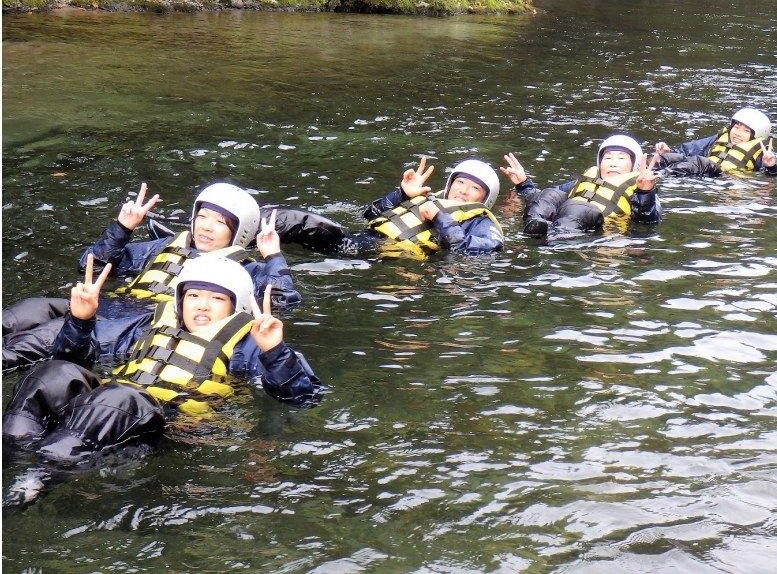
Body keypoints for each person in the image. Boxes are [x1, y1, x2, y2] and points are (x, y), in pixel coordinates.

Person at [2, 254, 323, 466]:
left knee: (120, 398)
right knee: (53, 374)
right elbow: (71, 359)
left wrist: (274, 351)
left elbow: (303, 397)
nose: (202, 306)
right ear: (180, 300)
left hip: (170, 423)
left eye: (216, 298)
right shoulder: (147, 328)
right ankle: (14, 454)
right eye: (194, 295)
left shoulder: (248, 346)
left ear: (234, 306)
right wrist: (80, 321)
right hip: (109, 409)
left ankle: (41, 474)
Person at [2, 182, 299, 371]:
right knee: (29, 310)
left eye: (219, 222)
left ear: (240, 231)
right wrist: (123, 228)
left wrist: (272, 255)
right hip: (104, 303)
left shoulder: (244, 272)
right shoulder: (162, 247)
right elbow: (91, 264)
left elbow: (283, 302)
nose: (206, 227)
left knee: (37, 340)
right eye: (202, 217)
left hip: (137, 323)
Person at [258, 158, 504, 259]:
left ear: (485, 198)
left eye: (474, 188)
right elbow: (370, 214)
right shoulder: (428, 198)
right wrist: (401, 194)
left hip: (379, 252)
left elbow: (468, 251)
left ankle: (243, 227)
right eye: (460, 182)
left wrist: (440, 219)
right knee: (301, 224)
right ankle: (245, 228)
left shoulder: (483, 224)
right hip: (363, 239)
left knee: (300, 222)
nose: (462, 190)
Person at [502, 134, 661, 238]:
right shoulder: (586, 179)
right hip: (566, 218)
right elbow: (544, 198)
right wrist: (524, 184)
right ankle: (534, 225)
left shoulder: (641, 189)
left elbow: (647, 223)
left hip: (594, 229)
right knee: (550, 193)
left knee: (579, 207)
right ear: (600, 163)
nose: (613, 163)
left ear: (634, 164)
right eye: (608, 158)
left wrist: (645, 192)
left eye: (621, 158)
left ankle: (556, 237)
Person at [654, 108, 777, 175]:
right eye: (736, 127)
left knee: (700, 162)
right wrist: (669, 151)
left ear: (755, 136)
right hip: (704, 171)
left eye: (745, 131)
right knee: (673, 157)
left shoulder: (764, 154)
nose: (737, 133)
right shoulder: (719, 139)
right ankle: (650, 169)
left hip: (724, 178)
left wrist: (770, 167)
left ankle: (662, 175)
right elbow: (689, 149)